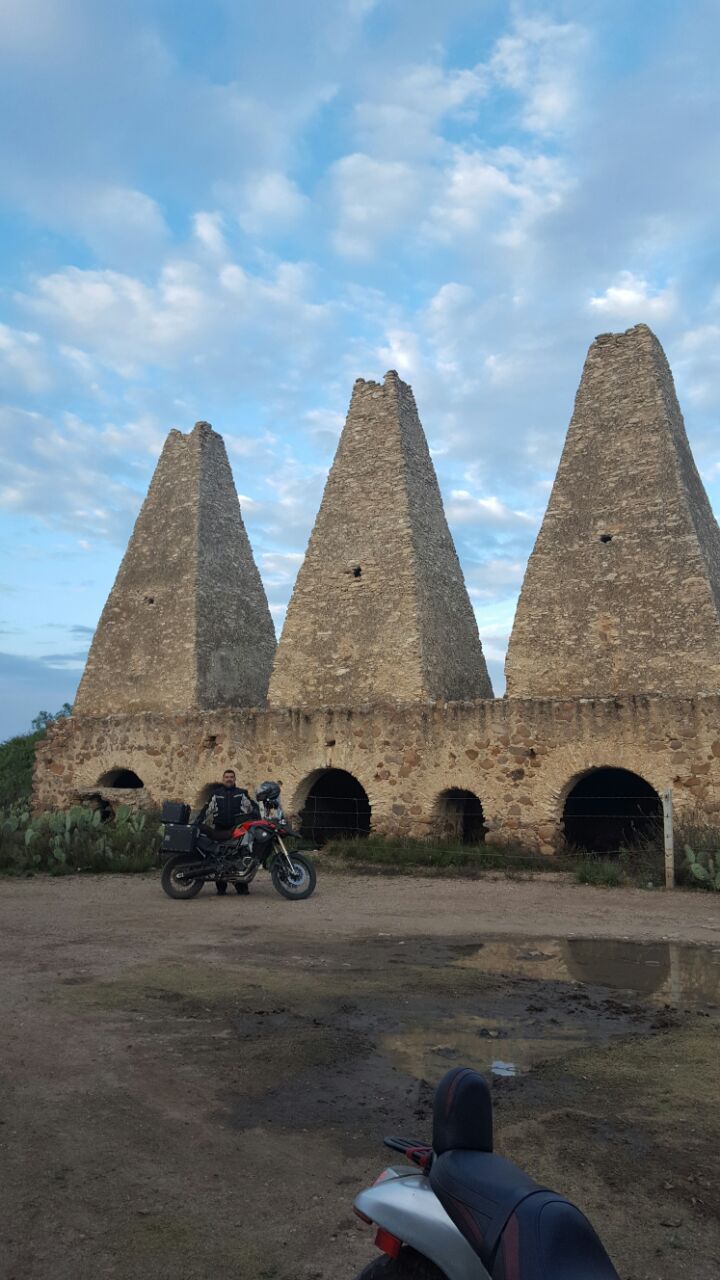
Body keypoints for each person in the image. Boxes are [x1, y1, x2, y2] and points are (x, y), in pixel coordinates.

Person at [197, 769, 257, 896]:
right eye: (226, 777)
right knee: (219, 857)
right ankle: (221, 888)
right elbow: (206, 809)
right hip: (220, 829)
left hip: (237, 830)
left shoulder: (241, 793)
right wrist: (196, 823)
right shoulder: (216, 794)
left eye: (231, 777)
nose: (229, 779)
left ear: (235, 779)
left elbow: (252, 807)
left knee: (239, 856)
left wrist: (258, 816)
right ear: (223, 779)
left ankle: (242, 887)